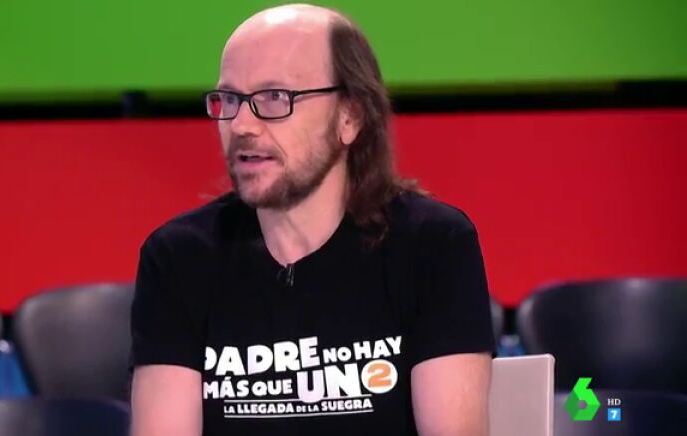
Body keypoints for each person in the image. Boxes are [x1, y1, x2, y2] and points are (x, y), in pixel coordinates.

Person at [130, 4, 494, 435]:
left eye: (274, 97)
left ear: (350, 116)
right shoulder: (179, 258)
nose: (241, 125)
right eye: (229, 99)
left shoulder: (433, 245)